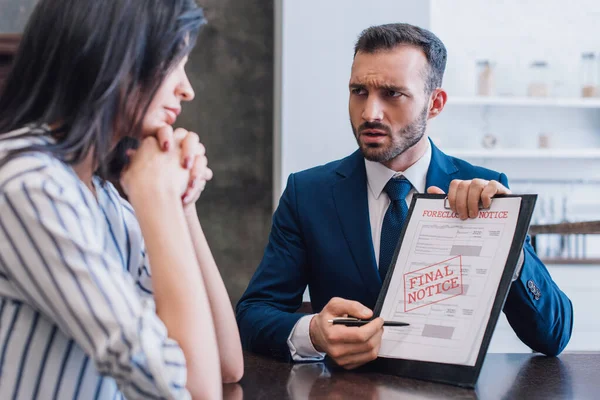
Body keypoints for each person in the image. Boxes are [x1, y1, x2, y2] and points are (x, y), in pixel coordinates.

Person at [236, 23, 573, 369]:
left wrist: (507, 239)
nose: (370, 113)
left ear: (435, 103)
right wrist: (313, 333)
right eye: (359, 91)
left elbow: (554, 336)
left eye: (392, 94)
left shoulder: (488, 190)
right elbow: (253, 313)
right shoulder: (308, 193)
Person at [0, 0, 243, 399]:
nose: (187, 89)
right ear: (117, 56)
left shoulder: (104, 197)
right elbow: (195, 391)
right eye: (174, 62)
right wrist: (158, 200)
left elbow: (224, 365)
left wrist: (182, 204)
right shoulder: (29, 185)